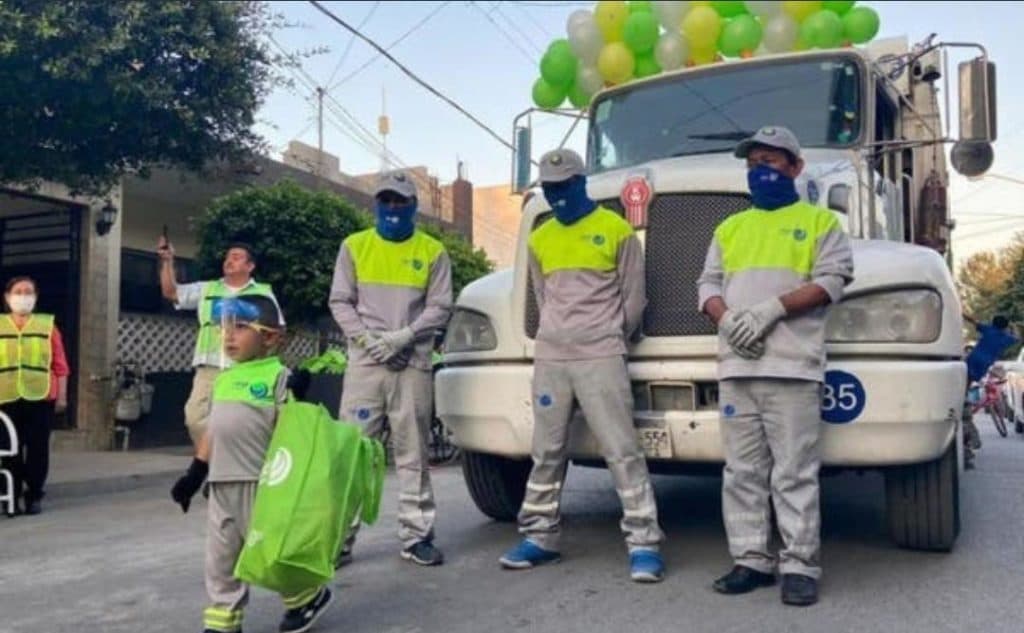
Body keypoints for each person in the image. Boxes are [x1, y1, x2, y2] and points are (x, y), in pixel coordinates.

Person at [697, 126, 854, 606]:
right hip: (738, 367)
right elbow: (708, 284)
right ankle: (751, 561)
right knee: (741, 472)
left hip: (792, 367)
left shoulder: (821, 222)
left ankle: (799, 566)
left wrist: (773, 310)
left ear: (795, 167)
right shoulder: (729, 228)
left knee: (793, 472)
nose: (759, 171)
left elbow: (832, 280)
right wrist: (726, 320)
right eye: (753, 164)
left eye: (769, 161)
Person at [498, 148, 666, 583]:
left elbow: (634, 299)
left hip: (601, 354)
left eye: (563, 187)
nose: (556, 196)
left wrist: (607, 335)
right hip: (552, 356)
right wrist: (560, 334)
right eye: (549, 189)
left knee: (621, 449)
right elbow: (543, 296)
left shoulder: (616, 230)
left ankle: (644, 543)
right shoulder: (541, 237)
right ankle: (540, 537)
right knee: (546, 450)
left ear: (581, 182)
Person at [169, 296, 333, 633]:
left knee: (270, 554)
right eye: (224, 327)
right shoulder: (224, 380)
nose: (228, 335)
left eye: (240, 327)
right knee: (220, 559)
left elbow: (293, 431)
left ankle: (306, 597)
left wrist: (298, 398)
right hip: (221, 484)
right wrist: (195, 474)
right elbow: (213, 430)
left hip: (263, 484)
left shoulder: (278, 377)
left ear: (269, 337)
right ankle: (223, 620)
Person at [329, 170, 453, 567]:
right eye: (386, 201)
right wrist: (370, 342)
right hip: (366, 366)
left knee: (413, 453)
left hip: (411, 363)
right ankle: (338, 540)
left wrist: (403, 338)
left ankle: (416, 536)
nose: (393, 208)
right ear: (376, 204)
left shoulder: (432, 251)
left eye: (401, 201)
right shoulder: (355, 246)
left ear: (414, 205)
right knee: (352, 453)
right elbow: (340, 301)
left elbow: (440, 307)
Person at [158, 239, 282, 448]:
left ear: (250, 266)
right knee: (195, 418)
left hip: (245, 368)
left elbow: (277, 330)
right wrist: (167, 261)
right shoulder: (207, 289)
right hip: (210, 366)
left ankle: (231, 458)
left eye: (236, 257)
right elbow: (171, 292)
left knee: (239, 421)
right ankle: (213, 458)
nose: (229, 261)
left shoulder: (263, 293)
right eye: (227, 257)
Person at [0, 276, 70, 517]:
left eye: (28, 292)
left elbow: (61, 366)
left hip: (40, 397)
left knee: (37, 449)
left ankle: (34, 495)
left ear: (36, 297)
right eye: (18, 292)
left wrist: (62, 397)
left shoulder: (47, 326)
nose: (23, 296)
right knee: (9, 449)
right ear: (7, 297)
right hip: (5, 397)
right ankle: (11, 494)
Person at [961, 314, 1018, 466]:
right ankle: (966, 398)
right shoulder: (1006, 337)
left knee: (965, 382)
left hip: (974, 358)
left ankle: (963, 399)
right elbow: (1017, 337)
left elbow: (974, 321)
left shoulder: (988, 329)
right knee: (973, 380)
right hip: (985, 363)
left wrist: (963, 314)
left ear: (993, 323)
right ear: (1005, 326)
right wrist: (1012, 327)